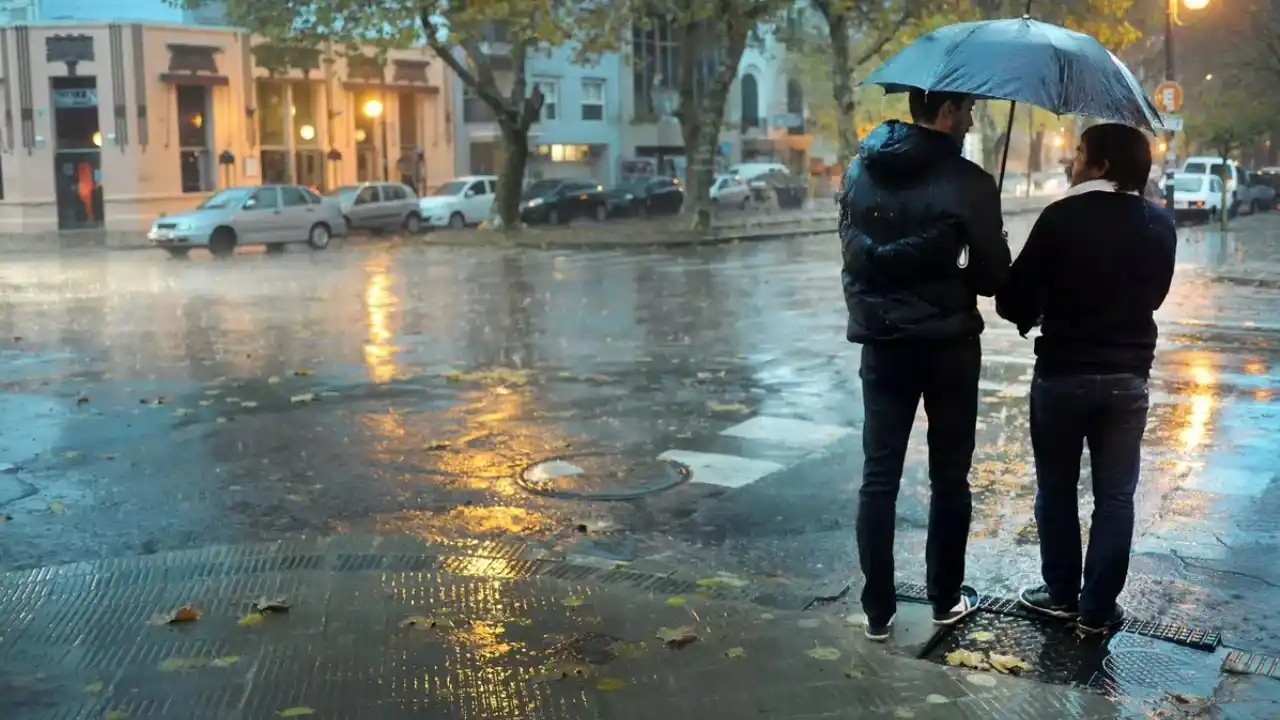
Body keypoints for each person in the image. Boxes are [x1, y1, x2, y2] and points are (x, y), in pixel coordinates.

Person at [839, 89, 1011, 641]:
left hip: (883, 343)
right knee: (949, 478)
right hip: (948, 348)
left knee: (878, 477)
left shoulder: (859, 171)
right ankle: (943, 599)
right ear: (946, 112)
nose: (971, 119)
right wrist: (977, 246)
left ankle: (878, 612)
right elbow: (993, 280)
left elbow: (855, 259)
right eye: (967, 110)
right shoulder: (970, 182)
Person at [995, 123, 1176, 635]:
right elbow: (1155, 296)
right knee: (1116, 497)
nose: (1071, 161)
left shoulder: (1060, 217)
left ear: (1100, 164)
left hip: (1062, 375)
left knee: (1056, 490)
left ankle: (1060, 595)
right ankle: (1097, 609)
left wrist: (1019, 287)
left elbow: (1014, 302)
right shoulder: (1159, 224)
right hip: (1127, 378)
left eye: (1079, 153)